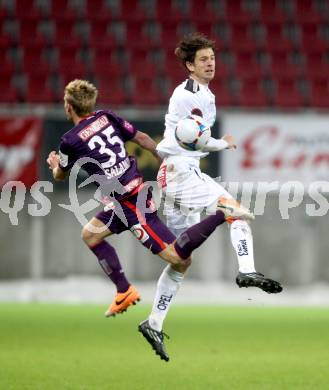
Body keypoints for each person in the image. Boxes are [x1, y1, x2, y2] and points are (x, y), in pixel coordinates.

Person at [47, 79, 237, 361]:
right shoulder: (107, 117)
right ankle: (124, 291)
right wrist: (163, 157)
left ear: (68, 106)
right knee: (90, 234)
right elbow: (143, 138)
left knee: (179, 259)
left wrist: (53, 164)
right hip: (123, 199)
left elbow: (60, 175)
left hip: (131, 204)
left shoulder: (69, 140)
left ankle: (223, 213)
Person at [139, 32, 283, 360]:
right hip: (179, 173)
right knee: (237, 211)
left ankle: (154, 322)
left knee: (181, 259)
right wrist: (223, 143)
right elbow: (193, 139)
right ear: (189, 65)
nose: (210, 64)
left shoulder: (203, 93)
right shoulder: (189, 94)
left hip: (180, 173)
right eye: (203, 60)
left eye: (212, 59)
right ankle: (246, 270)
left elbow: (185, 138)